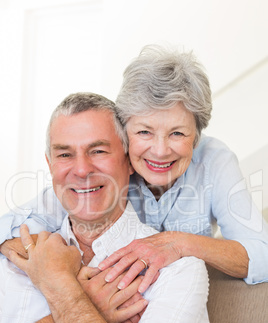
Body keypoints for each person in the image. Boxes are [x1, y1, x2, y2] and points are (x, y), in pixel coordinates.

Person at [1, 44, 267, 292]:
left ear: (196, 136)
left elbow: (262, 254)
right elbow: (9, 227)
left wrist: (180, 243)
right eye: (144, 132)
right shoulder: (101, 175)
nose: (160, 150)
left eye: (177, 133)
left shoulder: (214, 160)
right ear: (125, 133)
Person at [0, 92, 209, 323]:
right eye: (64, 154)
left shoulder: (176, 271)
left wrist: (60, 286)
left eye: (97, 151)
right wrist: (88, 306)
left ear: (129, 161)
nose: (82, 170)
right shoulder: (14, 256)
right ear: (50, 165)